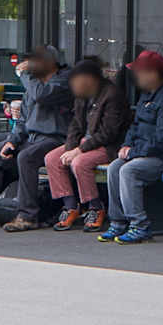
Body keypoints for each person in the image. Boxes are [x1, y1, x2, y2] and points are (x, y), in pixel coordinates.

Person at [0, 47, 73, 228]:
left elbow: (42, 95)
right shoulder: (34, 83)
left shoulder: (64, 79)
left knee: (26, 157)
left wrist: (24, 74)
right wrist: (12, 141)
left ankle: (27, 216)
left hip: (56, 138)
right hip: (32, 137)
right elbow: (23, 119)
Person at [105, 50, 163, 243]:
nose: (136, 76)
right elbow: (135, 126)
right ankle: (118, 222)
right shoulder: (147, 94)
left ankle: (139, 225)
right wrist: (127, 145)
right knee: (114, 168)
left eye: (139, 72)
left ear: (153, 73)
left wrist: (134, 152)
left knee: (129, 170)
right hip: (143, 153)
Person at [44, 57, 128, 230]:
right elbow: (75, 124)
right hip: (84, 143)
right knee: (52, 159)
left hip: (108, 146)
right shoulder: (82, 94)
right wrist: (70, 148)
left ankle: (96, 207)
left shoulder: (112, 95)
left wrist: (79, 151)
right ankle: (70, 206)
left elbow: (109, 133)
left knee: (80, 163)